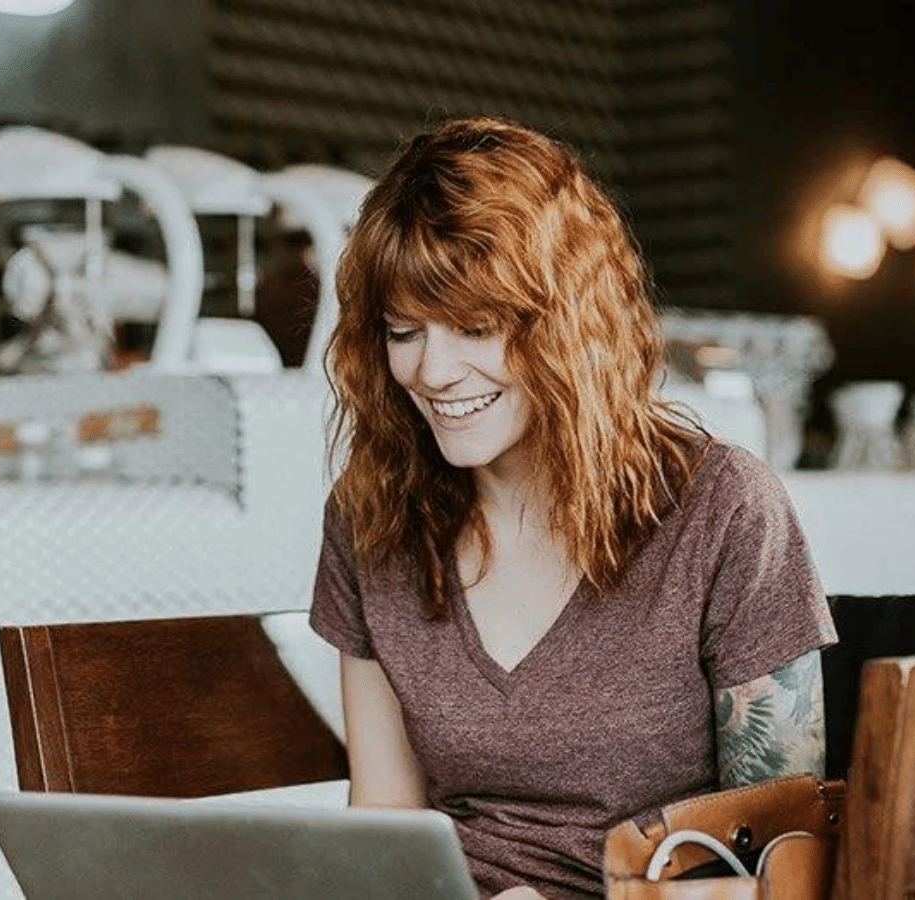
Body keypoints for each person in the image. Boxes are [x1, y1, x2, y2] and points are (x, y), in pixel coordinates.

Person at [309, 115, 836, 900]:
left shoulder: (722, 510)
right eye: (403, 331)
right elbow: (384, 822)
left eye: (477, 327)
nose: (434, 371)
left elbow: (786, 865)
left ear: (567, 323)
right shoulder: (373, 518)